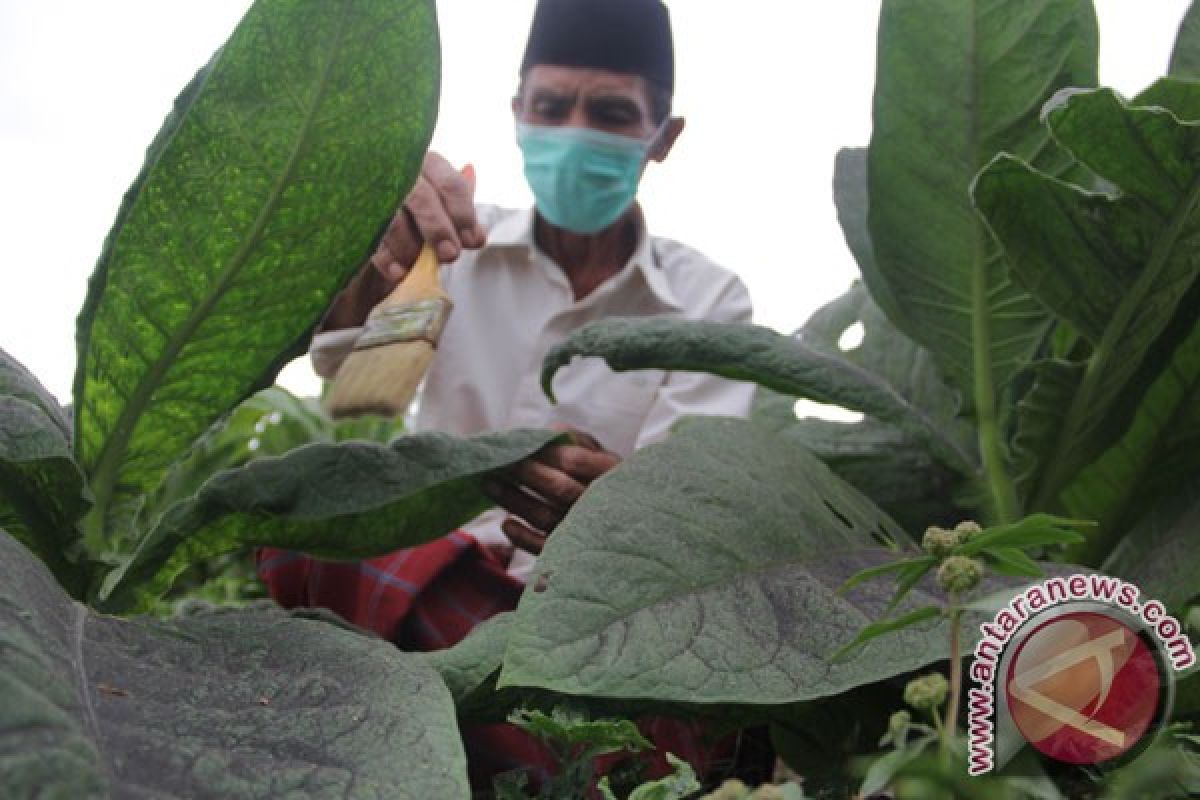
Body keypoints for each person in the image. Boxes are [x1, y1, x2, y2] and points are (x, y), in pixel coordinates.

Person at [258, 0, 761, 790]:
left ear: (662, 138)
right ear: (518, 112)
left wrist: (613, 514)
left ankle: (431, 719)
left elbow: (682, 527)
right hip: (430, 575)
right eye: (553, 106)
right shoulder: (448, 247)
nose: (573, 131)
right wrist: (371, 223)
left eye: (610, 113)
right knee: (320, 522)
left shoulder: (709, 303)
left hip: (595, 620)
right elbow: (346, 374)